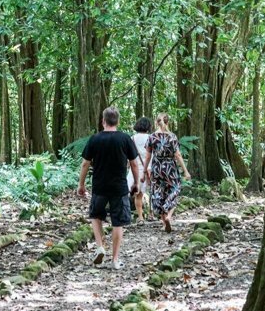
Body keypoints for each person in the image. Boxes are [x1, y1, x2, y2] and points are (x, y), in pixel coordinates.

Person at [77, 107, 139, 270]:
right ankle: (115, 259)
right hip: (119, 187)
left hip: (99, 186)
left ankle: (100, 246)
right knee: (118, 222)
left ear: (103, 121)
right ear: (117, 121)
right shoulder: (125, 139)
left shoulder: (95, 139)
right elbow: (133, 163)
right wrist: (136, 182)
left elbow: (85, 163)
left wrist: (81, 184)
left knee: (95, 216)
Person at [143, 113, 191, 233]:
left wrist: (145, 171)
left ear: (156, 122)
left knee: (158, 193)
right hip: (171, 168)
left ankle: (164, 223)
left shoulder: (152, 137)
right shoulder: (172, 137)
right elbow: (177, 155)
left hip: (157, 168)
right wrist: (185, 171)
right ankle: (169, 215)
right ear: (168, 122)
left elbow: (148, 156)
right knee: (174, 189)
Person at [127, 117, 152, 222]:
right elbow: (152, 155)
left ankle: (140, 217)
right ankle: (152, 215)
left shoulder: (132, 138)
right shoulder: (151, 138)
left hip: (135, 169)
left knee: (137, 195)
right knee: (149, 193)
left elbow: (129, 155)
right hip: (148, 169)